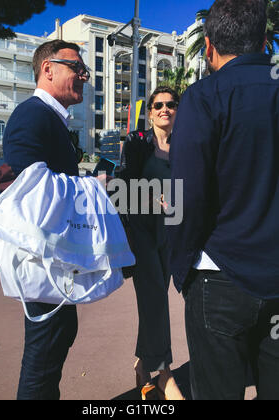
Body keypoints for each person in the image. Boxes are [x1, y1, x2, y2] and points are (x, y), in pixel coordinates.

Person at [169, 0, 279, 400]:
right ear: (266, 41)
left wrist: (181, 269)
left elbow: (188, 195)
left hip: (220, 277)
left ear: (210, 47)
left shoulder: (204, 97)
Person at [2, 39, 89, 399]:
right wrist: (90, 188)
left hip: (53, 262)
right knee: (42, 357)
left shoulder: (49, 118)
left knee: (55, 342)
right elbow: (21, 188)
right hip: (42, 263)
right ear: (48, 69)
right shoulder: (34, 114)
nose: (84, 76)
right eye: (77, 68)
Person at [119, 86, 185, 400]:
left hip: (170, 234)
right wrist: (149, 196)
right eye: (158, 104)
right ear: (150, 112)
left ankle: (142, 366)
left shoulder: (185, 145)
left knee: (154, 304)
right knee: (156, 299)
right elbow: (120, 187)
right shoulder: (136, 142)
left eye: (171, 104)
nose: (164, 109)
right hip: (141, 234)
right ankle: (165, 375)